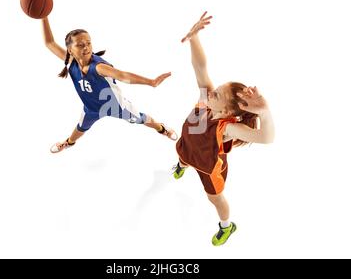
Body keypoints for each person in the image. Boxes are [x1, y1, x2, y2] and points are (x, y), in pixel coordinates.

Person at [173, 12, 275, 246]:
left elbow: (266, 138)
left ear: (229, 111)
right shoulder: (205, 100)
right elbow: (200, 67)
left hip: (208, 167)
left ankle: (226, 227)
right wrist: (194, 37)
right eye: (215, 89)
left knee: (215, 199)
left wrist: (265, 113)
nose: (211, 91)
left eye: (217, 93)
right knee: (182, 155)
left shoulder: (227, 128)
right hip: (188, 147)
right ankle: (181, 164)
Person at [41, 17, 177, 153]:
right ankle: (68, 142)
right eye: (80, 45)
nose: (86, 47)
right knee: (80, 128)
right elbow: (49, 42)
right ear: (70, 50)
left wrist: (151, 82)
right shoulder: (71, 63)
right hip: (91, 108)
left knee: (142, 119)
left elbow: (123, 76)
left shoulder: (98, 67)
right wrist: (44, 16)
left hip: (115, 106)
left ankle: (162, 128)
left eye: (88, 43)